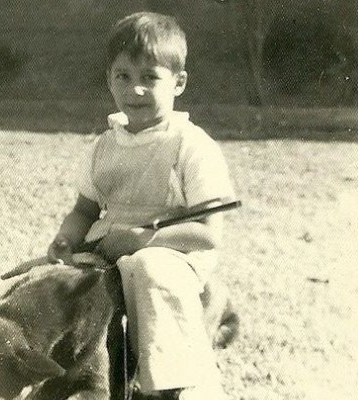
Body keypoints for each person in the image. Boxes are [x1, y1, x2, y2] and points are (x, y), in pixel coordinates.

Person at [46, 12, 235, 400]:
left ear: (178, 83)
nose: (135, 90)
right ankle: (87, 383)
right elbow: (85, 209)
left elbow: (207, 233)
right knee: (61, 283)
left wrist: (142, 239)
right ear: (109, 79)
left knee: (147, 268)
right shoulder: (105, 146)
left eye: (150, 77)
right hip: (111, 248)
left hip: (172, 252)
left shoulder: (190, 145)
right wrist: (67, 238)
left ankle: (169, 386)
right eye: (123, 77)